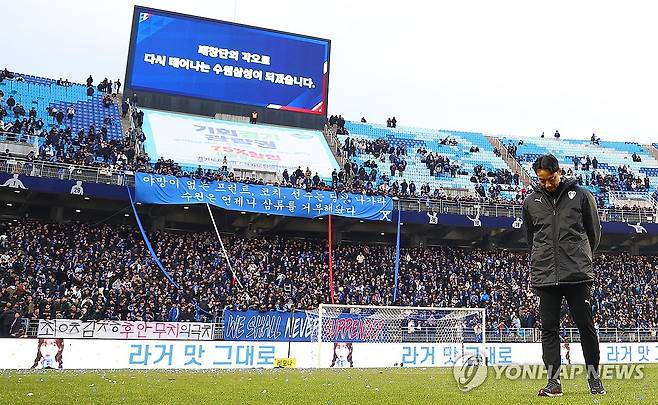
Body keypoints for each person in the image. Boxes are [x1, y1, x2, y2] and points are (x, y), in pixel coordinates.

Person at [522, 154, 605, 396]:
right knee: (549, 330)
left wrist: (580, 256)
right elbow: (531, 238)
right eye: (542, 180)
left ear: (560, 171)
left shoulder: (581, 195)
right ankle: (554, 383)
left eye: (551, 178)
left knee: (585, 328)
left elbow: (594, 233)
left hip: (577, 275)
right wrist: (543, 257)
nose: (547, 184)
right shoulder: (530, 202)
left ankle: (594, 380)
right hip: (546, 276)